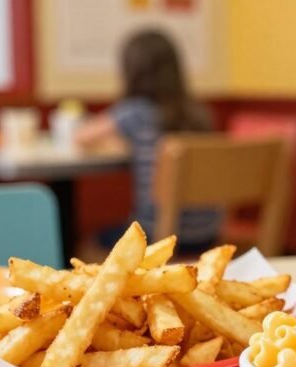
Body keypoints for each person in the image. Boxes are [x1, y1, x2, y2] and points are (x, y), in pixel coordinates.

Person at [76, 29, 217, 252]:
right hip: (207, 235)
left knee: (88, 244)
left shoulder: (135, 112)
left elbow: (82, 137)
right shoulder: (199, 114)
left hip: (156, 236)